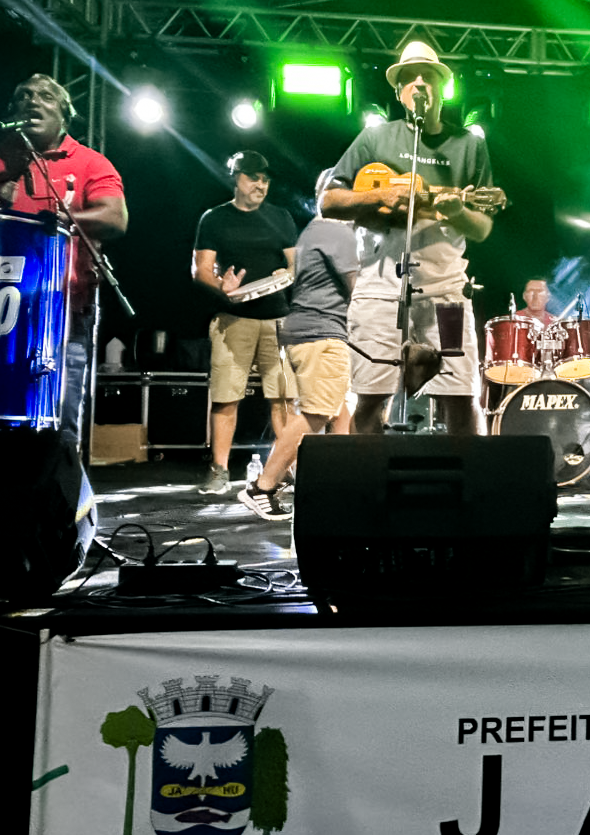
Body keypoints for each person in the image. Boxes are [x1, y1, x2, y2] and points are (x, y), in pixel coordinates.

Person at [321, 41, 494, 435]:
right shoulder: (374, 139)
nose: (420, 83)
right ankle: (368, 487)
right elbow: (328, 201)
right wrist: (381, 196)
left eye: (429, 76)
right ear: (399, 90)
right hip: (381, 290)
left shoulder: (469, 145)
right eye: (410, 77)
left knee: (459, 395)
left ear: (442, 87)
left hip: (447, 291)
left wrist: (457, 212)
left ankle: (462, 487)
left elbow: (482, 227)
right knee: (368, 396)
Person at [0, 74, 128, 449]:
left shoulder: (89, 162)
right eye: (24, 96)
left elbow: (115, 217)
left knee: (58, 422)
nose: (33, 101)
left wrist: (68, 218)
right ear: (12, 112)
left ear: (64, 115)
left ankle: (61, 504)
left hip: (62, 308)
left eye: (46, 97)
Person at [239, 171, 357, 520]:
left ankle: (336, 479)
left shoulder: (319, 230)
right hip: (320, 333)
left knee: (336, 410)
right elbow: (358, 289)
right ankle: (263, 486)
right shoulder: (335, 230)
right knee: (317, 413)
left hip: (312, 331)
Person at [192, 150, 298, 494]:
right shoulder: (214, 218)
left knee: (283, 398)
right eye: (253, 177)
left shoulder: (281, 217)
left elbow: (296, 265)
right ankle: (219, 470)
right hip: (233, 318)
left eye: (265, 179)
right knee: (226, 396)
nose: (261, 185)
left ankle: (288, 470)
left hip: (278, 319)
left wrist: (288, 274)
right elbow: (200, 270)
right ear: (235, 178)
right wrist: (221, 286)